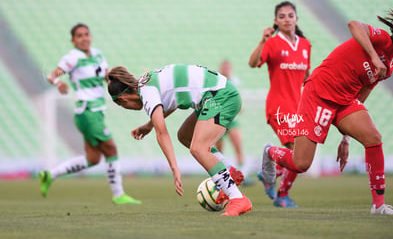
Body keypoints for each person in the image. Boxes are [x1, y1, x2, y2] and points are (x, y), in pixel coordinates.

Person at [260, 0, 393, 215]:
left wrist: (346, 138)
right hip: (318, 94)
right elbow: (354, 24)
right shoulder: (382, 41)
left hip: (344, 101)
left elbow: (363, 92)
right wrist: (373, 56)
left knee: (373, 138)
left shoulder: (387, 68)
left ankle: (378, 205)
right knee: (301, 163)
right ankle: (270, 152)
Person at [107, 64, 252, 216]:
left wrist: (174, 168)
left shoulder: (146, 92)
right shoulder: (145, 82)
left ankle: (237, 198)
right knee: (185, 136)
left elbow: (162, 132)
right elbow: (173, 100)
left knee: (198, 148)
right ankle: (230, 172)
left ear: (122, 99)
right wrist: (149, 125)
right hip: (216, 93)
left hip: (221, 95)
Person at [39, 23, 141, 205]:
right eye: (79, 36)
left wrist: (123, 80)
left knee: (93, 159)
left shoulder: (97, 54)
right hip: (87, 111)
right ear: (73, 40)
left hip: (97, 111)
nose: (84, 38)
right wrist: (58, 83)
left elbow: (106, 76)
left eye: (87, 34)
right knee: (111, 149)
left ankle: (49, 175)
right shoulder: (72, 58)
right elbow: (53, 75)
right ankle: (118, 195)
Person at [248, 1, 311, 207]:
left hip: (298, 109)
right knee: (296, 151)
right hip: (278, 107)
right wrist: (262, 41)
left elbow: (306, 77)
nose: (286, 19)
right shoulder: (272, 43)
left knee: (301, 159)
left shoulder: (305, 45)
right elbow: (253, 63)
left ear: (296, 19)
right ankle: (282, 194)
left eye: (290, 15)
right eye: (282, 16)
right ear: (276, 21)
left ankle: (270, 174)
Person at [215, 60, 253, 185]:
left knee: (238, 146)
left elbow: (239, 100)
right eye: (224, 66)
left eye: (227, 66)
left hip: (231, 120)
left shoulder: (235, 82)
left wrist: (238, 107)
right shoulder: (217, 80)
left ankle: (243, 175)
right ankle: (220, 176)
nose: (225, 69)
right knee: (218, 150)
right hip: (219, 119)